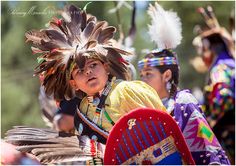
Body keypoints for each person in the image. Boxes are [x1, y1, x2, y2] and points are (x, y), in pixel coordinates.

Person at [25, 4, 166, 144]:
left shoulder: (128, 91)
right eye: (80, 70)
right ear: (73, 83)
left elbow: (165, 130)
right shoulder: (83, 111)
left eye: (93, 65)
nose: (88, 71)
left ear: (106, 67)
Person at [138, 3, 230, 165]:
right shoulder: (147, 108)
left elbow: (207, 152)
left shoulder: (183, 103)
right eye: (141, 75)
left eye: (148, 74)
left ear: (166, 75)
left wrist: (215, 120)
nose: (143, 79)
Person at [192, 6, 235, 164]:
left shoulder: (220, 68)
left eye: (203, 50)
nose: (202, 56)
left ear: (210, 48)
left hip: (229, 139)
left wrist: (208, 122)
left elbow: (223, 95)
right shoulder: (231, 64)